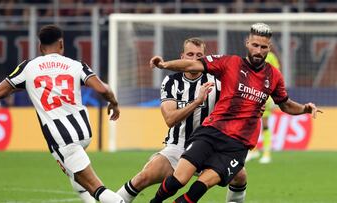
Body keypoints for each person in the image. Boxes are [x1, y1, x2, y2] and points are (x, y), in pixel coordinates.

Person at [148, 23, 322, 203]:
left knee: (198, 188)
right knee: (178, 180)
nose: (258, 50)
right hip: (211, 132)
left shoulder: (274, 76)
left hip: (237, 144)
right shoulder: (229, 63)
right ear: (247, 43)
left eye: (263, 47)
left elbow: (285, 104)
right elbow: (193, 64)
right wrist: (164, 64)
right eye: (255, 45)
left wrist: (304, 109)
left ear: (268, 49)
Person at [0, 24, 125, 203]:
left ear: (40, 47)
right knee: (76, 176)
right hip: (83, 131)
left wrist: (26, 85)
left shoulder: (28, 67)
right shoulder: (76, 65)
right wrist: (114, 103)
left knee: (97, 188)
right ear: (61, 44)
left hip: (61, 137)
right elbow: (102, 88)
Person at [117, 38, 248, 203]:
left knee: (240, 175)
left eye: (199, 55)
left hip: (210, 146)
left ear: (204, 59)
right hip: (178, 146)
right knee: (144, 177)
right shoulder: (172, 82)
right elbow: (170, 119)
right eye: (190, 54)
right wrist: (197, 102)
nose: (194, 60)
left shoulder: (217, 82)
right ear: (182, 56)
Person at [246, 51, 280, 164]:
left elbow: (277, 75)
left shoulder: (271, 57)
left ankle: (266, 153)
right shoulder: (249, 57)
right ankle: (253, 151)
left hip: (266, 95)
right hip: (252, 94)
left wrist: (274, 93)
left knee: (264, 124)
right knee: (251, 123)